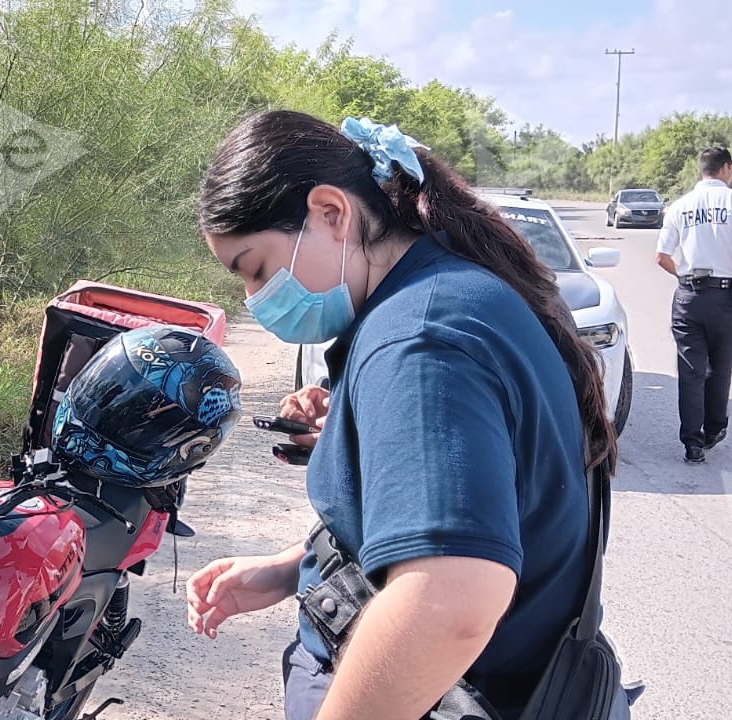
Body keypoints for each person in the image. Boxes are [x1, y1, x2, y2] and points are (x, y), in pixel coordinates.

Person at [186, 112, 627, 720]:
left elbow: (449, 605)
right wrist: (293, 570)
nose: (255, 300)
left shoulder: (417, 342)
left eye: (256, 268)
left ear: (331, 213)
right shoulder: (448, 291)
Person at [654, 147, 732, 464]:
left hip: (688, 298)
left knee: (691, 371)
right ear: (726, 169)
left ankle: (692, 443)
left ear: (700, 170)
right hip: (726, 297)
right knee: (720, 367)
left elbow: (661, 258)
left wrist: (687, 278)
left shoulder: (679, 207)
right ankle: (714, 429)